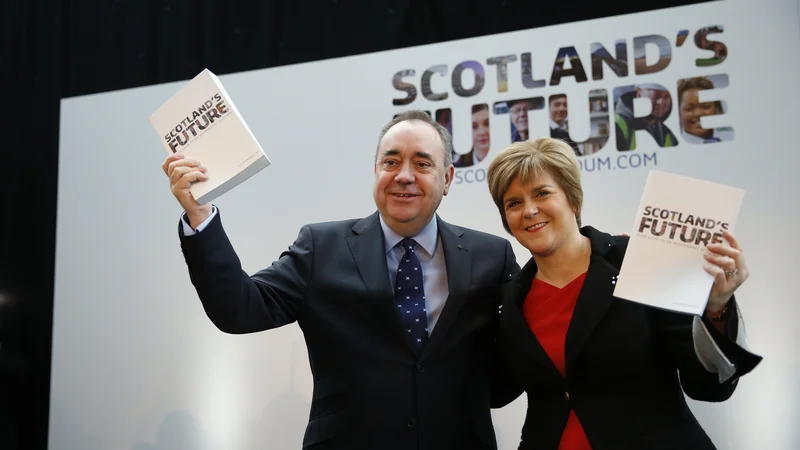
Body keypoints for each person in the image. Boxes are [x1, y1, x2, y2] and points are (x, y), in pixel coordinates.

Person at [162, 110, 519, 450]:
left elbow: (526, 349)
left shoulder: (491, 256)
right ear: (375, 170)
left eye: (422, 164)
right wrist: (199, 215)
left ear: (448, 178)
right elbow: (239, 309)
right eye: (390, 162)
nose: (404, 176)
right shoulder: (322, 247)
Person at [486, 137, 762, 450]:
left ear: (573, 200)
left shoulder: (637, 260)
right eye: (514, 203)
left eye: (542, 193)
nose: (529, 210)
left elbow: (709, 386)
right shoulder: (508, 301)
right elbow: (498, 391)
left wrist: (716, 308)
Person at [614, 84, 677, 150]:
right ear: (639, 95)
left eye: (667, 97)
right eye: (657, 96)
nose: (661, 102)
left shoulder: (672, 127)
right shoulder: (619, 125)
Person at [678, 77, 732, 144]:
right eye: (689, 108)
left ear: (716, 108)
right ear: (678, 113)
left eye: (706, 106)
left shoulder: (731, 139)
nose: (698, 113)